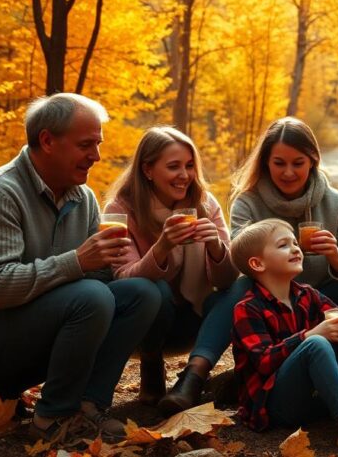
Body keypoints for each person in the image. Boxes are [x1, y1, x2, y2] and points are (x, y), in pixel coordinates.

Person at [0, 94, 161, 443]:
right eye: (85, 145)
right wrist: (79, 261)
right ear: (47, 141)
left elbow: (95, 281)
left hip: (35, 321)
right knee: (92, 297)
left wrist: (118, 261)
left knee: (141, 294)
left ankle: (88, 406)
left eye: (97, 144)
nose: (95, 156)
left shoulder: (83, 199)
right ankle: (53, 418)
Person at [104, 126, 244, 414]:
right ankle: (152, 364)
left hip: (195, 321)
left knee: (243, 287)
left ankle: (192, 378)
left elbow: (229, 280)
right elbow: (123, 279)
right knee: (155, 288)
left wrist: (216, 247)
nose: (185, 175)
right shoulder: (120, 209)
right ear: (148, 169)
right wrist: (162, 247)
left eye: (190, 166)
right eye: (173, 166)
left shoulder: (204, 204)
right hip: (145, 328)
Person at [230, 219, 338, 450]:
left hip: (316, 398)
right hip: (274, 405)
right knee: (316, 343)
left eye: (295, 242)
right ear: (257, 263)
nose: (296, 248)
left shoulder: (308, 294)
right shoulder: (248, 308)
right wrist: (308, 336)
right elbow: (264, 362)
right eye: (283, 245)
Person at [230, 117, 338, 315]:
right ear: (266, 162)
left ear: (312, 161)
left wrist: (336, 257)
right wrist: (281, 253)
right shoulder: (247, 203)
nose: (288, 172)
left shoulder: (337, 203)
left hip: (325, 298)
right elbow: (240, 261)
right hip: (270, 299)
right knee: (239, 288)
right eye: (279, 163)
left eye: (298, 163)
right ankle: (207, 347)